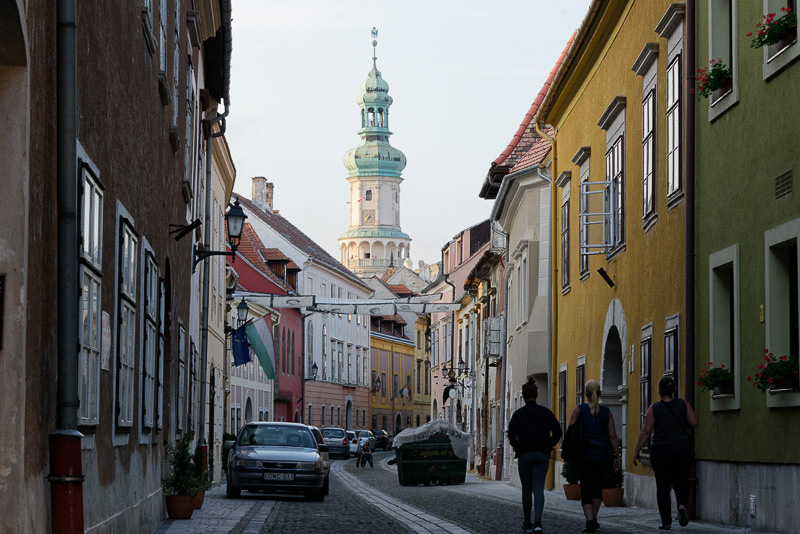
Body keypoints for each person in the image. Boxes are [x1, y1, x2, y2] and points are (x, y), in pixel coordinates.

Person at [633, 376, 699, 530]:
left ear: (659, 391)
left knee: (663, 487)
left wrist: (637, 450)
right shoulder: (683, 404)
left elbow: (646, 430)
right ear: (673, 390)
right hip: (682, 449)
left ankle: (666, 522)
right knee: (682, 481)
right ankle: (682, 505)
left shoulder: (654, 408)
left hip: (661, 451)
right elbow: (695, 422)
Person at [508, 376, 563, 534]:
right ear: (536, 394)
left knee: (526, 489)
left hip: (525, 455)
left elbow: (511, 433)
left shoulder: (519, 414)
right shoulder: (545, 412)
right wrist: (548, 444)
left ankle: (527, 523)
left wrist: (518, 446)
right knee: (538, 488)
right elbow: (558, 431)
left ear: (524, 396)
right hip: (541, 454)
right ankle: (538, 523)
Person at [568, 379, 620, 534]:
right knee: (597, 489)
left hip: (583, 456)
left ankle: (590, 520)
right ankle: (593, 518)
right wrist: (617, 455)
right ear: (600, 393)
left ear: (586, 394)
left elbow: (570, 432)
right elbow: (612, 436)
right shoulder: (607, 412)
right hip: (602, 455)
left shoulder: (578, 410)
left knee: (586, 489)